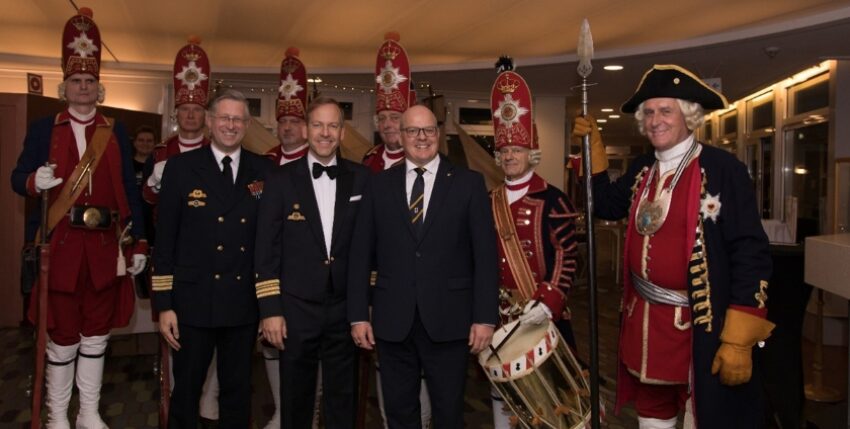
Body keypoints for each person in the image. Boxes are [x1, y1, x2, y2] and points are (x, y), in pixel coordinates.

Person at [574, 64, 775, 429]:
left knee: (705, 416)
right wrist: (594, 150)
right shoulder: (642, 168)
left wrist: (740, 339)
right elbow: (604, 204)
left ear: (689, 114)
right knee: (652, 415)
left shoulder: (722, 169)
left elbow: (751, 252)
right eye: (648, 112)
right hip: (646, 323)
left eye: (665, 110)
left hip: (702, 327)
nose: (655, 120)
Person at [10, 8, 147, 428]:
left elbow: (128, 189)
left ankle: (87, 413)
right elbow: (17, 179)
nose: (83, 87)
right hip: (61, 248)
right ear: (64, 85)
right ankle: (57, 417)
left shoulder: (116, 130)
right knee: (61, 335)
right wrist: (36, 179)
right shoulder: (41, 129)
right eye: (76, 81)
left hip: (104, 250)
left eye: (89, 81)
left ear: (99, 87)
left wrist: (138, 241)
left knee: (96, 333)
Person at [349, 104, 498, 428]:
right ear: (400, 136)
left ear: (439, 134)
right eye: (413, 130)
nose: (421, 137)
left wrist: (485, 318)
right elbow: (361, 255)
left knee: (449, 413)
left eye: (428, 130)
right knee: (400, 413)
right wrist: (359, 314)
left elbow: (485, 257)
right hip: (392, 321)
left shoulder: (469, 184)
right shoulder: (377, 186)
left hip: (450, 320)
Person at [152, 89, 273, 428]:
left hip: (242, 302)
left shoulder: (263, 169)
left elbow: (270, 243)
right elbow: (165, 242)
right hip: (193, 301)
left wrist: (269, 306)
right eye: (224, 118)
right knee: (186, 391)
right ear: (209, 121)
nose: (230, 125)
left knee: (237, 392)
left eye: (238, 119)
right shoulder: (180, 168)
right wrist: (164, 304)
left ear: (247, 124)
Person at [255, 97, 369, 429]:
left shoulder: (362, 178)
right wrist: (270, 310)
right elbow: (266, 249)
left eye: (333, 125)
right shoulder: (279, 179)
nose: (325, 133)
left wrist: (365, 308)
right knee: (296, 396)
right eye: (318, 125)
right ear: (306, 129)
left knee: (342, 398)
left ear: (342, 133)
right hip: (295, 308)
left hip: (344, 307)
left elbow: (368, 247)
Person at [487, 62, 580, 428]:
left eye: (518, 149)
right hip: (500, 319)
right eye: (504, 149)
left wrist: (549, 300)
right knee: (504, 398)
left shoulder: (553, 199)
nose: (510, 155)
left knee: (550, 402)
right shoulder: (487, 201)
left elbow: (567, 256)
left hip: (541, 316)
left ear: (532, 152)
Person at [143, 37, 220, 427]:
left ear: (205, 116)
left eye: (196, 110)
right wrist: (155, 186)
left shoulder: (218, 152)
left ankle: (207, 403)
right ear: (177, 114)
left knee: (212, 342)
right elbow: (146, 202)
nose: (190, 116)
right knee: (177, 340)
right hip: (174, 258)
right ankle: (176, 401)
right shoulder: (161, 152)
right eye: (185, 110)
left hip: (212, 259)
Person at [361, 32, 432, 429]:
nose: (390, 125)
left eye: (396, 119)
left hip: (426, 291)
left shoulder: (438, 166)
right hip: (381, 288)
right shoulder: (365, 166)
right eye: (385, 119)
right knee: (389, 371)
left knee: (427, 371)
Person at [362, 32, 412, 174]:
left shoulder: (421, 159)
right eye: (382, 118)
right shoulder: (369, 158)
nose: (387, 125)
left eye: (395, 118)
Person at [266, 47, 310, 166]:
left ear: (306, 127)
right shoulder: (267, 160)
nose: (287, 127)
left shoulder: (318, 161)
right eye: (282, 121)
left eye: (294, 121)